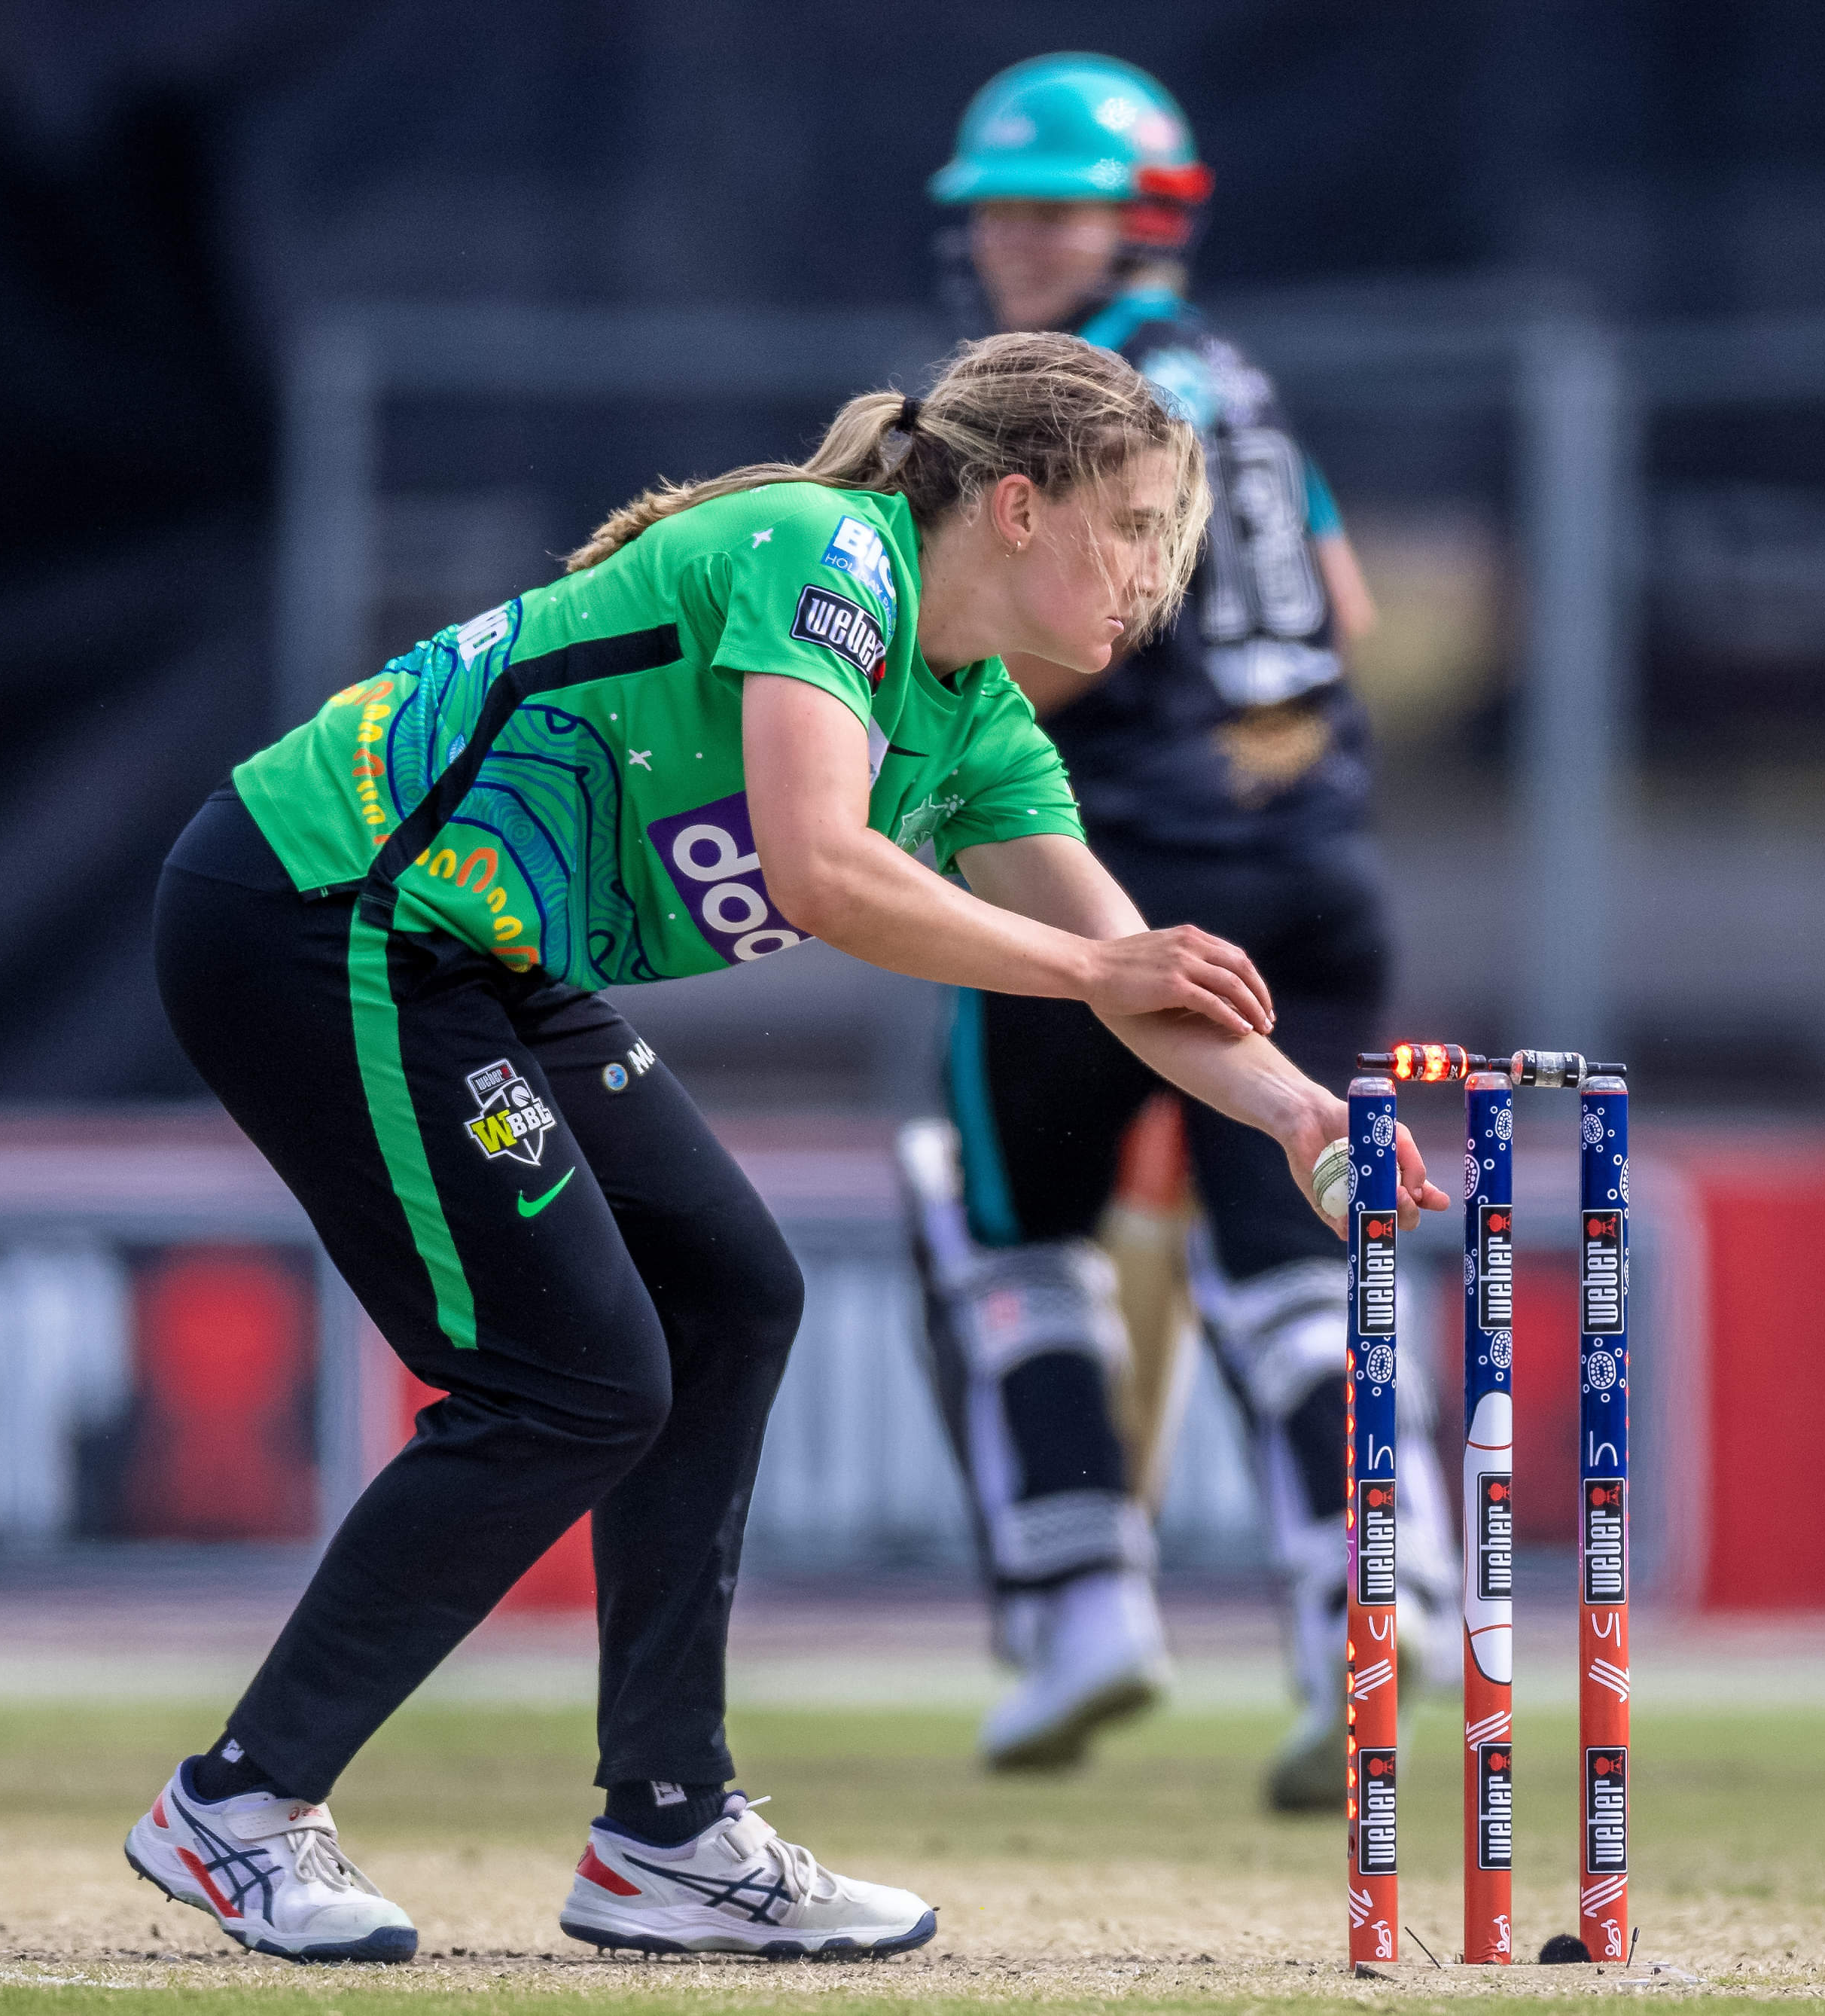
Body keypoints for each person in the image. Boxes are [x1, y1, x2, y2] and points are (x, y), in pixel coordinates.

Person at [129, 328, 1446, 1964]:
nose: (1155, 577)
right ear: (1017, 506)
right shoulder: (829, 553)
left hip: (473, 950)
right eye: (1133, 525)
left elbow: (1133, 975)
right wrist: (1095, 967)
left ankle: (664, 1831)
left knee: (732, 1296)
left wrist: (1299, 1110)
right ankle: (241, 1801)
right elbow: (822, 868)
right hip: (321, 906)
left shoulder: (978, 725)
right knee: (572, 1384)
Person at [895, 53, 1462, 1811]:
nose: (1011, 242)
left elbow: (1054, 643)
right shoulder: (1240, 379)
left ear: (1141, 220)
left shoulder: (1065, 399)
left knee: (1006, 1231)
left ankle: (1080, 1612)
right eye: (994, 212)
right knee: (1290, 1255)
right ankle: (1379, 1584)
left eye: (1049, 212)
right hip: (1319, 862)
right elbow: (1344, 610)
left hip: (1119, 883)